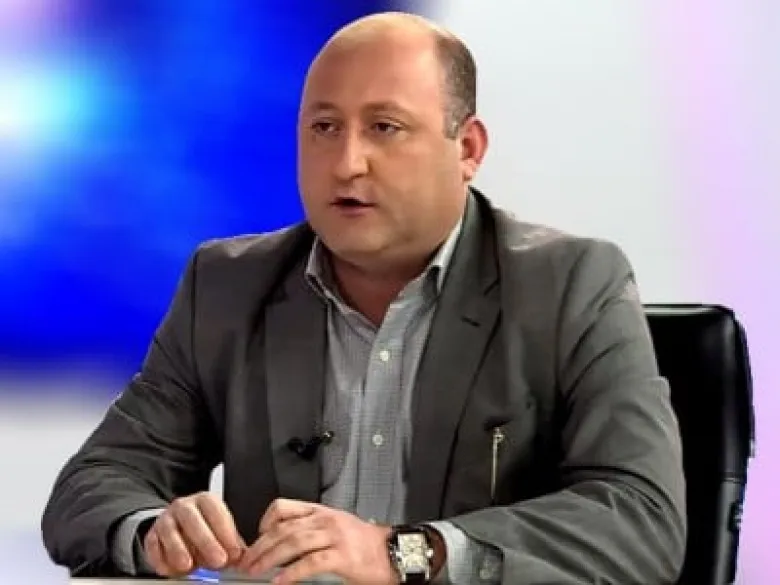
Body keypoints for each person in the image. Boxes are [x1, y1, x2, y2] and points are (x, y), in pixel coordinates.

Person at [41, 11, 687, 585]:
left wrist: (407, 553)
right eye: (324, 127)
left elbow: (641, 520)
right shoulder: (228, 285)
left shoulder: (571, 285)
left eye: (385, 127)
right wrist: (152, 530)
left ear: (467, 149)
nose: (347, 162)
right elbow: (90, 486)